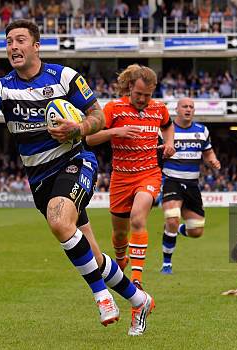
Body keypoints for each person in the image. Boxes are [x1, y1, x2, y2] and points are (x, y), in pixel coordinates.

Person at [0, 19, 153, 336]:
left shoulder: (64, 77)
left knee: (59, 221)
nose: (13, 46)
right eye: (8, 41)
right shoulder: (2, 87)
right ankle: (139, 299)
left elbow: (98, 116)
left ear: (36, 46)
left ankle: (102, 297)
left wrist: (77, 128)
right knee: (94, 255)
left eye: (20, 40)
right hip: (40, 180)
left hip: (75, 161)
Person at [86, 64, 175, 287]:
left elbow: (168, 125)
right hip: (121, 179)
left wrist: (170, 143)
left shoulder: (159, 108)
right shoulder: (113, 109)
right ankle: (119, 260)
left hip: (149, 174)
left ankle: (136, 279)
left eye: (147, 95)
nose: (143, 99)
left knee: (138, 217)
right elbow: (90, 139)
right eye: (138, 94)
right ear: (128, 88)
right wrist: (116, 131)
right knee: (119, 233)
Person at [160, 98, 220, 274]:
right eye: (184, 106)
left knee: (196, 230)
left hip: (192, 184)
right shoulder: (166, 130)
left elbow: (208, 153)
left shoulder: (202, 131)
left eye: (191, 107)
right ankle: (166, 264)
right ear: (177, 109)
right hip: (171, 180)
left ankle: (175, 229)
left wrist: (213, 161)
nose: (188, 109)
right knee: (172, 216)